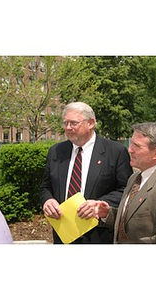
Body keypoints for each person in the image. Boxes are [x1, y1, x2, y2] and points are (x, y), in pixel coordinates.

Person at [40, 102, 133, 244]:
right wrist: (48, 200)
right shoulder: (56, 151)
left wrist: (100, 204)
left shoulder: (115, 152)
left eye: (73, 123)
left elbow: (126, 190)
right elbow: (45, 187)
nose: (68, 128)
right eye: (65, 123)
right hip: (64, 235)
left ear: (91, 123)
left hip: (99, 236)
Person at [83, 122, 156, 244]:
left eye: (137, 146)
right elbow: (129, 220)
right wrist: (107, 213)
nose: (130, 149)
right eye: (131, 143)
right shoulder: (134, 178)